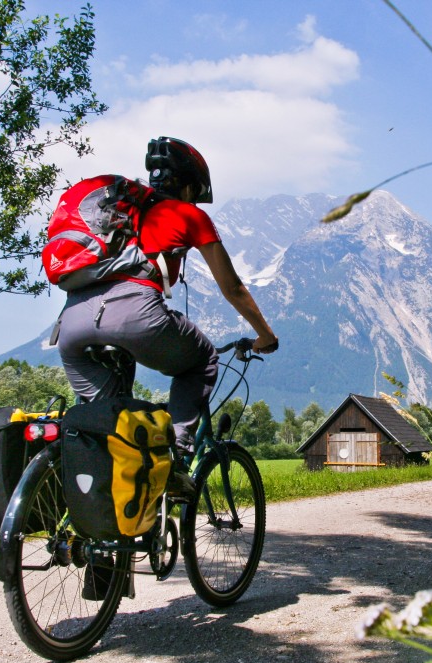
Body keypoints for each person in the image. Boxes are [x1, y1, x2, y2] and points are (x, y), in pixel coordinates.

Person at [55, 136, 278, 497]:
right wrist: (264, 335)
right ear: (188, 185)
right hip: (135, 314)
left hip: (72, 323)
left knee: (110, 432)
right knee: (201, 360)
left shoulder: (122, 215)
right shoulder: (187, 214)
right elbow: (233, 287)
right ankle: (175, 460)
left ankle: (98, 540)